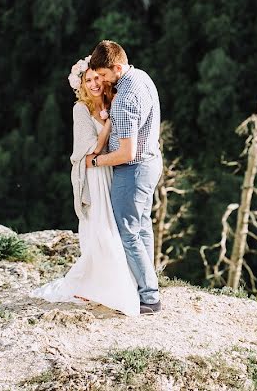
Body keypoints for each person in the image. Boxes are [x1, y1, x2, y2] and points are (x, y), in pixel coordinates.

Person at [29, 55, 139, 316]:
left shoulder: (114, 101)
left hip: (112, 169)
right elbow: (89, 150)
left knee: (117, 224)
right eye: (87, 80)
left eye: (97, 78)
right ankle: (103, 285)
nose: (94, 84)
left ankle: (117, 280)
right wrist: (109, 124)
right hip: (95, 175)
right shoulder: (81, 109)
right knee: (101, 228)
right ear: (81, 85)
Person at [88, 40, 163, 314]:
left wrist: (96, 161)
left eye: (105, 75)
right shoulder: (142, 76)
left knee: (127, 232)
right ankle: (148, 285)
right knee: (142, 227)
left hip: (134, 170)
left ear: (117, 67)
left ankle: (149, 296)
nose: (103, 80)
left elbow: (126, 152)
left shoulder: (125, 99)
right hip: (152, 162)